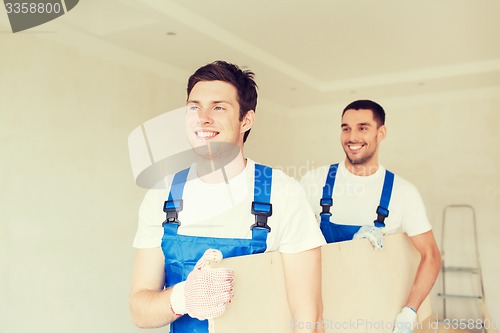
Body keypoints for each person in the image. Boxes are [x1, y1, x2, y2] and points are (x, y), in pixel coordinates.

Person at [129, 61, 326, 333]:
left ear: (246, 120)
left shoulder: (283, 194)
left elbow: (309, 321)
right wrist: (183, 298)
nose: (203, 117)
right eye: (194, 107)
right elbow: (140, 310)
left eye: (218, 107)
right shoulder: (162, 196)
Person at [299, 99, 441, 333]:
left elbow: (431, 254)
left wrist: (409, 311)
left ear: (381, 132)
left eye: (362, 128)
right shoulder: (314, 182)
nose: (352, 137)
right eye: (346, 128)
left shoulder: (403, 192)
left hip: (377, 314)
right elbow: (293, 244)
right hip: (324, 313)